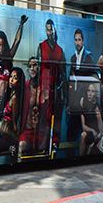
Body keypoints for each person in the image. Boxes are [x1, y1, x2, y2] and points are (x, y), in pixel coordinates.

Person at [0, 15, 28, 118]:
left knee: (6, 124)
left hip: (7, 97)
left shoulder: (8, 58)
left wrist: (21, 24)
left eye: (3, 45)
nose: (1, 48)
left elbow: (17, 41)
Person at [37, 19, 66, 149]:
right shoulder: (41, 47)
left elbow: (63, 74)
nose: (50, 32)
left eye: (51, 29)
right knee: (43, 120)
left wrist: (61, 92)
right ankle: (42, 146)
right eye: (47, 29)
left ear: (55, 30)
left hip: (56, 93)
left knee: (56, 121)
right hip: (44, 91)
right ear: (46, 31)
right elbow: (37, 72)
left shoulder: (60, 51)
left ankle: (54, 145)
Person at [67, 29, 95, 144]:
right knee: (70, 133)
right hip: (74, 103)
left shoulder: (88, 56)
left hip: (84, 103)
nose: (77, 42)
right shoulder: (73, 58)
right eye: (75, 40)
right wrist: (69, 102)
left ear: (83, 41)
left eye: (79, 40)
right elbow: (72, 82)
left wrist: (84, 99)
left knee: (84, 134)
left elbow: (91, 80)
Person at [18, 57, 47, 157]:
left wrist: (46, 138)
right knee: (21, 147)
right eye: (30, 66)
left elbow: (49, 115)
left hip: (41, 132)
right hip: (27, 131)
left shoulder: (44, 89)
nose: (32, 68)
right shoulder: (24, 87)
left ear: (39, 67)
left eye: (34, 65)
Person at [79, 83, 103, 155]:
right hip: (88, 130)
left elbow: (100, 126)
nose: (90, 94)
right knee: (83, 135)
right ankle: (81, 157)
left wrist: (98, 134)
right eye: (89, 91)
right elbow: (83, 126)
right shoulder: (82, 102)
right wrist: (92, 130)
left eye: (92, 91)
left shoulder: (96, 104)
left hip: (96, 131)